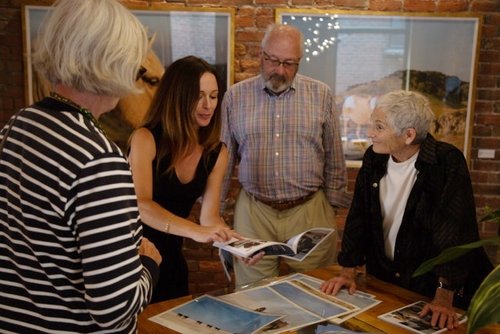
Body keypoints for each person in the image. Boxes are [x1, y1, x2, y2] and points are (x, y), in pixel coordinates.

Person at [0, 0, 161, 333]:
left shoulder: (15, 127)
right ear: (113, 63)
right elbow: (113, 309)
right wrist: (149, 264)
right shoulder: (99, 160)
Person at [320, 90, 493, 330]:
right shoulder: (374, 158)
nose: (370, 133)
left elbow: (455, 230)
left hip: (435, 286)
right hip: (388, 276)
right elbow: (359, 215)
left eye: (379, 127)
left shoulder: (446, 162)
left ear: (408, 135)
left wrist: (444, 294)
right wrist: (347, 271)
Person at [220, 23, 351, 288]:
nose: (280, 70)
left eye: (289, 63)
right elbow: (223, 160)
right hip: (254, 213)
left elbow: (335, 158)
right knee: (252, 295)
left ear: (299, 61)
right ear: (261, 55)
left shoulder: (321, 95)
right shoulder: (235, 96)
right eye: (274, 61)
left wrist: (331, 208)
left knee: (314, 293)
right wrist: (217, 211)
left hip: (309, 210)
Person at [128, 55, 238, 303]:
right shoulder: (145, 138)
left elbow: (209, 218)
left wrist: (236, 244)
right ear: (177, 96)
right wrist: (197, 231)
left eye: (213, 96)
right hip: (134, 255)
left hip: (173, 259)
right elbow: (141, 204)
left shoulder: (216, 153)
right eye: (198, 96)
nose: (207, 105)